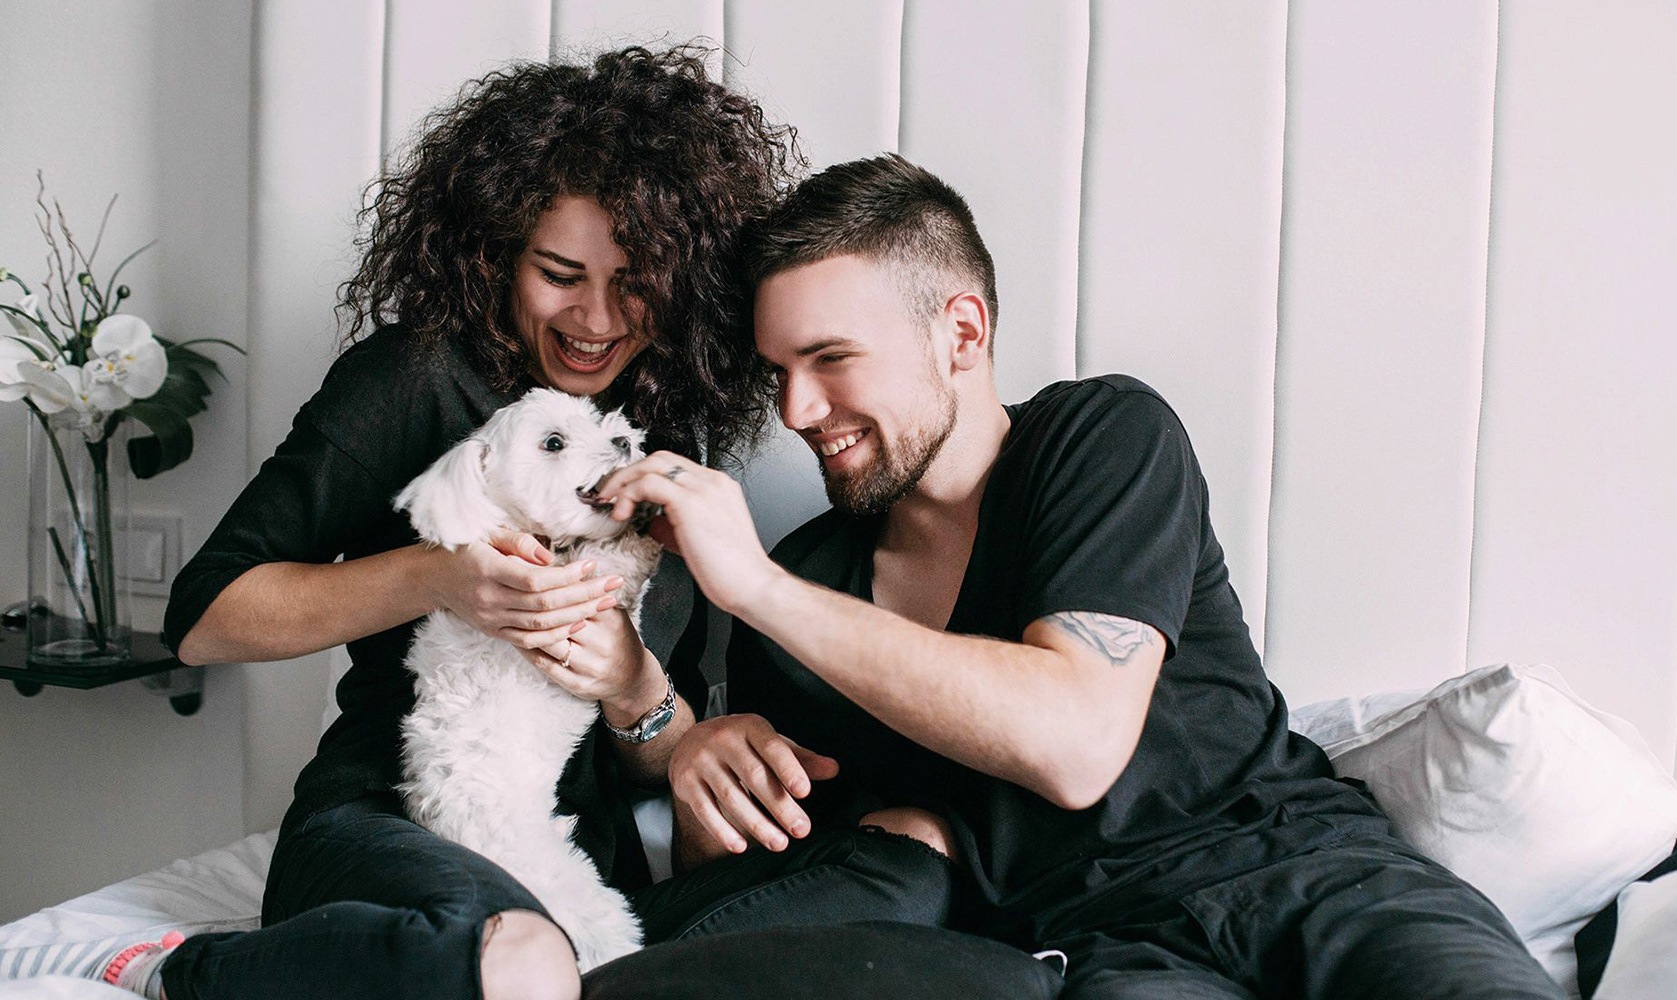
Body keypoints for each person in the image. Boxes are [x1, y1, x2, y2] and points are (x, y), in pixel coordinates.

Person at [599, 154, 1568, 999]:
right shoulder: (809, 586)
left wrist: (758, 586)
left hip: (1306, 879)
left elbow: (1075, 741)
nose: (799, 408)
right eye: (779, 371)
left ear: (963, 334)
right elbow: (779, 909)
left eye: (831, 359)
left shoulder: (1101, 438)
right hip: (1099, 953)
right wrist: (698, 772)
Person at [102, 46, 800, 1000]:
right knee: (519, 961)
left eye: (635, 282)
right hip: (388, 820)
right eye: (559, 273)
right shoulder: (418, 377)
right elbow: (205, 617)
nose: (597, 318)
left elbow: (655, 754)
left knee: (891, 878)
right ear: (496, 254)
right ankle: (200, 974)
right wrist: (439, 577)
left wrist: (639, 690)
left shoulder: (666, 433)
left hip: (572, 850)